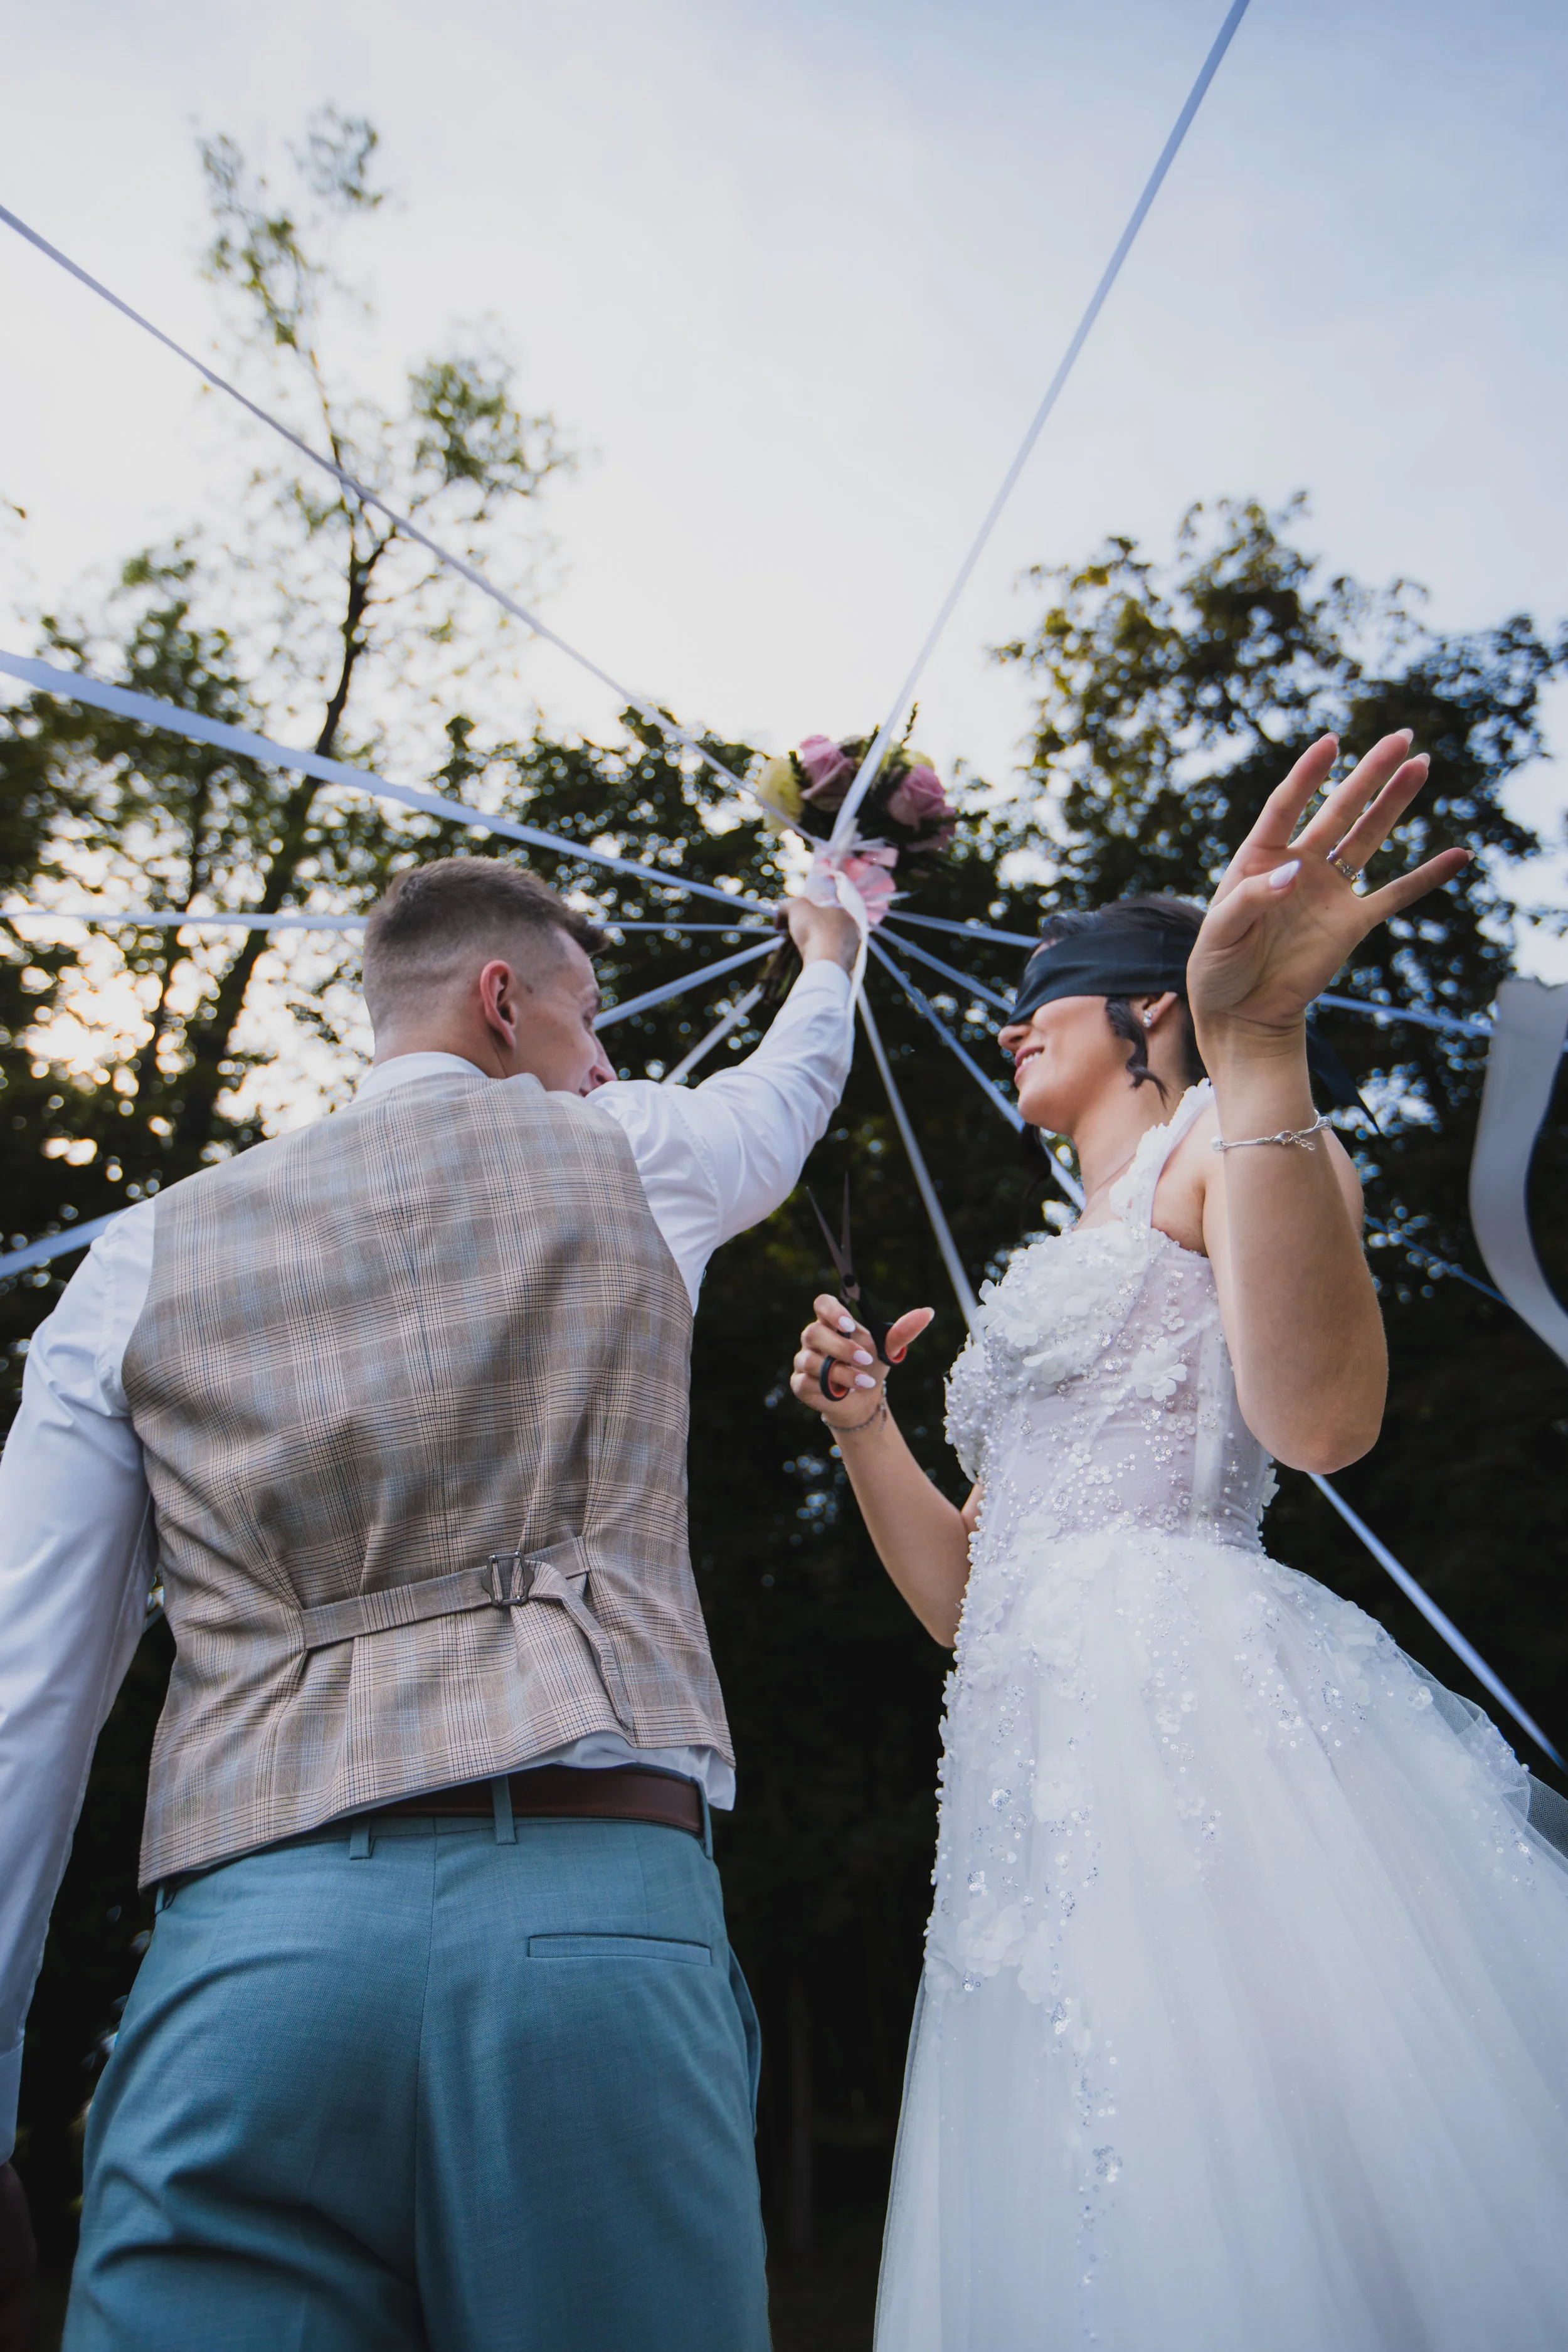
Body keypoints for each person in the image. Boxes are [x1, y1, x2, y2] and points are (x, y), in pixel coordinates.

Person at [0, 857, 860, 2352]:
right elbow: (786, 1094)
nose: (606, 1062)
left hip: (248, 1958)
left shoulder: (140, 1256)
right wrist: (832, 950)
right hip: (594, 1936)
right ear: (503, 999)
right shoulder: (634, 1151)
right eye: (592, 1021)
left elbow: (25, 1701)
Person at [790, 731, 1568, 2351]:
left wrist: (1258, 1041)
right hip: (1027, 1749)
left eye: (1050, 986)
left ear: (1150, 1007)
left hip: (1189, 1718)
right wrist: (869, 1427)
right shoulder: (1061, 1236)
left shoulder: (1231, 1139)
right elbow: (968, 1601)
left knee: (1272, 2170)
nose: (1014, 1013)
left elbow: (1319, 1419)